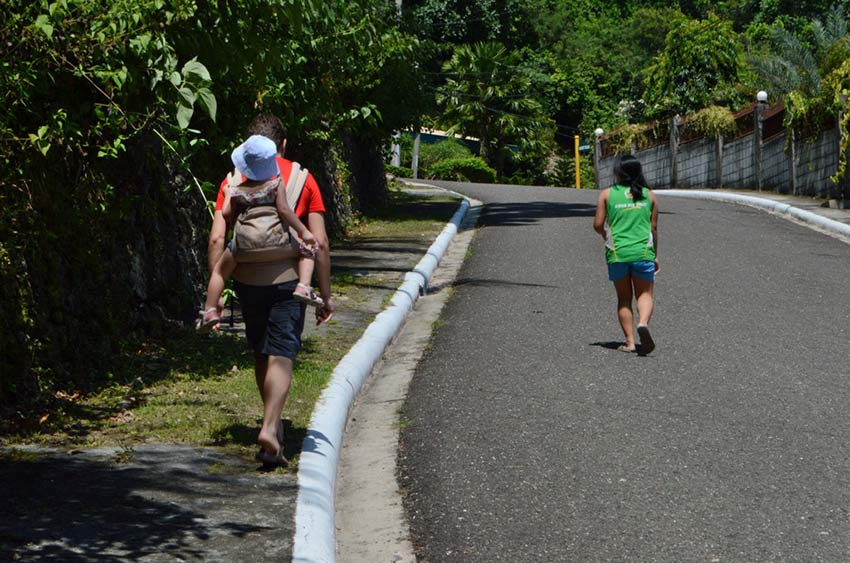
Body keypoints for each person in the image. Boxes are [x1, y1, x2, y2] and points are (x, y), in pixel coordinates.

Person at [207, 114, 335, 466]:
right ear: (283, 145)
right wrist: (324, 295)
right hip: (288, 281)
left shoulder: (232, 180)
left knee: (263, 351)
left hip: (248, 281)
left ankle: (272, 430)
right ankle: (270, 427)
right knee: (283, 351)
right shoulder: (303, 180)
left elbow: (218, 236)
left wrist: (217, 286)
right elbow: (319, 242)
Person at [196, 134, 321, 332]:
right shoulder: (276, 184)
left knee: (219, 271)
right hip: (277, 243)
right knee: (308, 251)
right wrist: (305, 232)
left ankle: (210, 309)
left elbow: (227, 215)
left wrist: (229, 195)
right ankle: (304, 286)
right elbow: (285, 211)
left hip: (243, 247)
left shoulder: (237, 190)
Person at [593, 154, 659, 355]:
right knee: (645, 294)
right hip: (643, 252)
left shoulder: (607, 194)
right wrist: (655, 255)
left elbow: (597, 225)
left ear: (618, 172)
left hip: (617, 253)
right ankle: (643, 323)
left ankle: (630, 342)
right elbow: (653, 228)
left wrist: (606, 234)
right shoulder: (649, 195)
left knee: (623, 298)